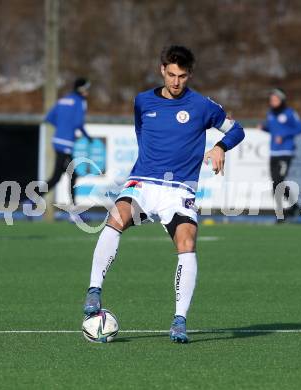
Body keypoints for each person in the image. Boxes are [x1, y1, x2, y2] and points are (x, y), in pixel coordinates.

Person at [83, 45, 245, 343]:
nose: (175, 82)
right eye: (171, 74)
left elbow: (237, 130)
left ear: (189, 74)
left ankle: (179, 320)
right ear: (162, 70)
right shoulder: (142, 101)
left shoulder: (203, 106)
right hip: (144, 182)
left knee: (187, 241)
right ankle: (94, 292)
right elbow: (142, 135)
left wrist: (221, 146)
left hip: (180, 190)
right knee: (116, 217)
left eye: (182, 76)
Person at [40, 77, 92, 205]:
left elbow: (49, 117)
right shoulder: (80, 102)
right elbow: (78, 122)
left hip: (57, 140)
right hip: (66, 143)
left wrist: (62, 127)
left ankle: (32, 199)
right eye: (87, 89)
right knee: (66, 176)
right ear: (81, 89)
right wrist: (87, 136)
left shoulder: (63, 99)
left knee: (59, 176)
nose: (88, 92)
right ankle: (74, 210)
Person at [259, 88, 301, 222]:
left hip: (286, 152)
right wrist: (264, 128)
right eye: (271, 99)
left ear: (282, 99)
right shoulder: (270, 113)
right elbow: (273, 130)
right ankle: (293, 207)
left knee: (279, 181)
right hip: (274, 153)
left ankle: (281, 214)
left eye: (275, 99)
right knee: (275, 183)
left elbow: (299, 128)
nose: (273, 102)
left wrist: (283, 136)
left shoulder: (290, 113)